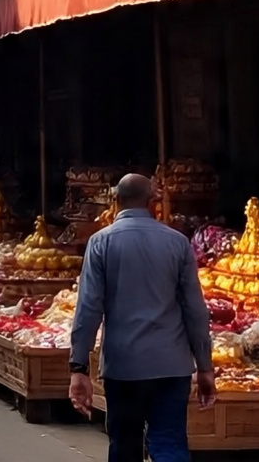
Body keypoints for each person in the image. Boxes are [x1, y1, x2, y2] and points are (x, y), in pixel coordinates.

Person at [69, 173, 215, 461]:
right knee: (170, 441)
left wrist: (78, 366)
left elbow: (88, 308)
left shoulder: (101, 243)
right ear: (152, 202)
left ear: (115, 200)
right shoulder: (177, 242)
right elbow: (195, 309)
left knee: (124, 443)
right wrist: (205, 366)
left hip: (123, 366)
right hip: (171, 366)